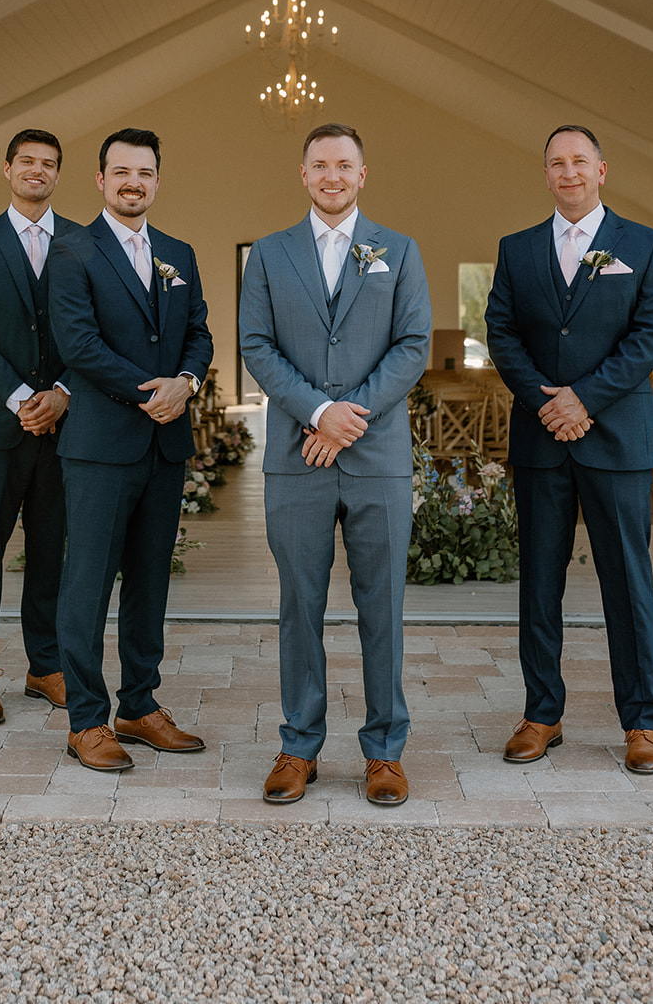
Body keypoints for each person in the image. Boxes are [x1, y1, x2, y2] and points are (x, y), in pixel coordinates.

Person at [239, 123, 432, 807]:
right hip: (299, 456)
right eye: (319, 165)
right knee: (299, 604)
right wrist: (318, 412)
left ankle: (384, 751)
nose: (331, 176)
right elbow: (255, 344)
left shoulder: (398, 250)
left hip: (377, 456)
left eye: (343, 165)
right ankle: (299, 744)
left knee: (383, 607)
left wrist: (351, 416)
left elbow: (412, 344)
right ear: (303, 174)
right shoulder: (268, 254)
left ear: (362, 173)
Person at [485, 125, 653, 775]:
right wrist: (547, 403)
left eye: (579, 161)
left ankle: (641, 720)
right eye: (556, 163)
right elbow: (501, 333)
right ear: (545, 174)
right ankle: (541, 713)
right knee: (539, 582)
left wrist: (583, 400)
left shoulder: (645, 245)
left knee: (628, 582)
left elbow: (649, 336)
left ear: (601, 170)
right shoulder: (515, 249)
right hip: (540, 439)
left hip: (617, 438)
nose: (568, 172)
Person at [47, 128, 213, 771]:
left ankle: (139, 706)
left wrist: (186, 381)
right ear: (101, 180)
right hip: (99, 445)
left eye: (144, 172)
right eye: (121, 172)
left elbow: (199, 332)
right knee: (86, 586)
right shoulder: (72, 250)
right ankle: (86, 720)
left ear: (157, 181)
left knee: (149, 583)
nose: (132, 183)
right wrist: (153, 391)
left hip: (164, 446)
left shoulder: (179, 253)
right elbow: (79, 344)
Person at [0, 129, 81, 724]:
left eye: (48, 163)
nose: (37, 170)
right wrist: (25, 397)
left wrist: (62, 394)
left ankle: (45, 665)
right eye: (27, 161)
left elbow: (97, 332)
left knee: (51, 552)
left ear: (58, 174)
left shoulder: (83, 241)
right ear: (7, 169)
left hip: (65, 428)